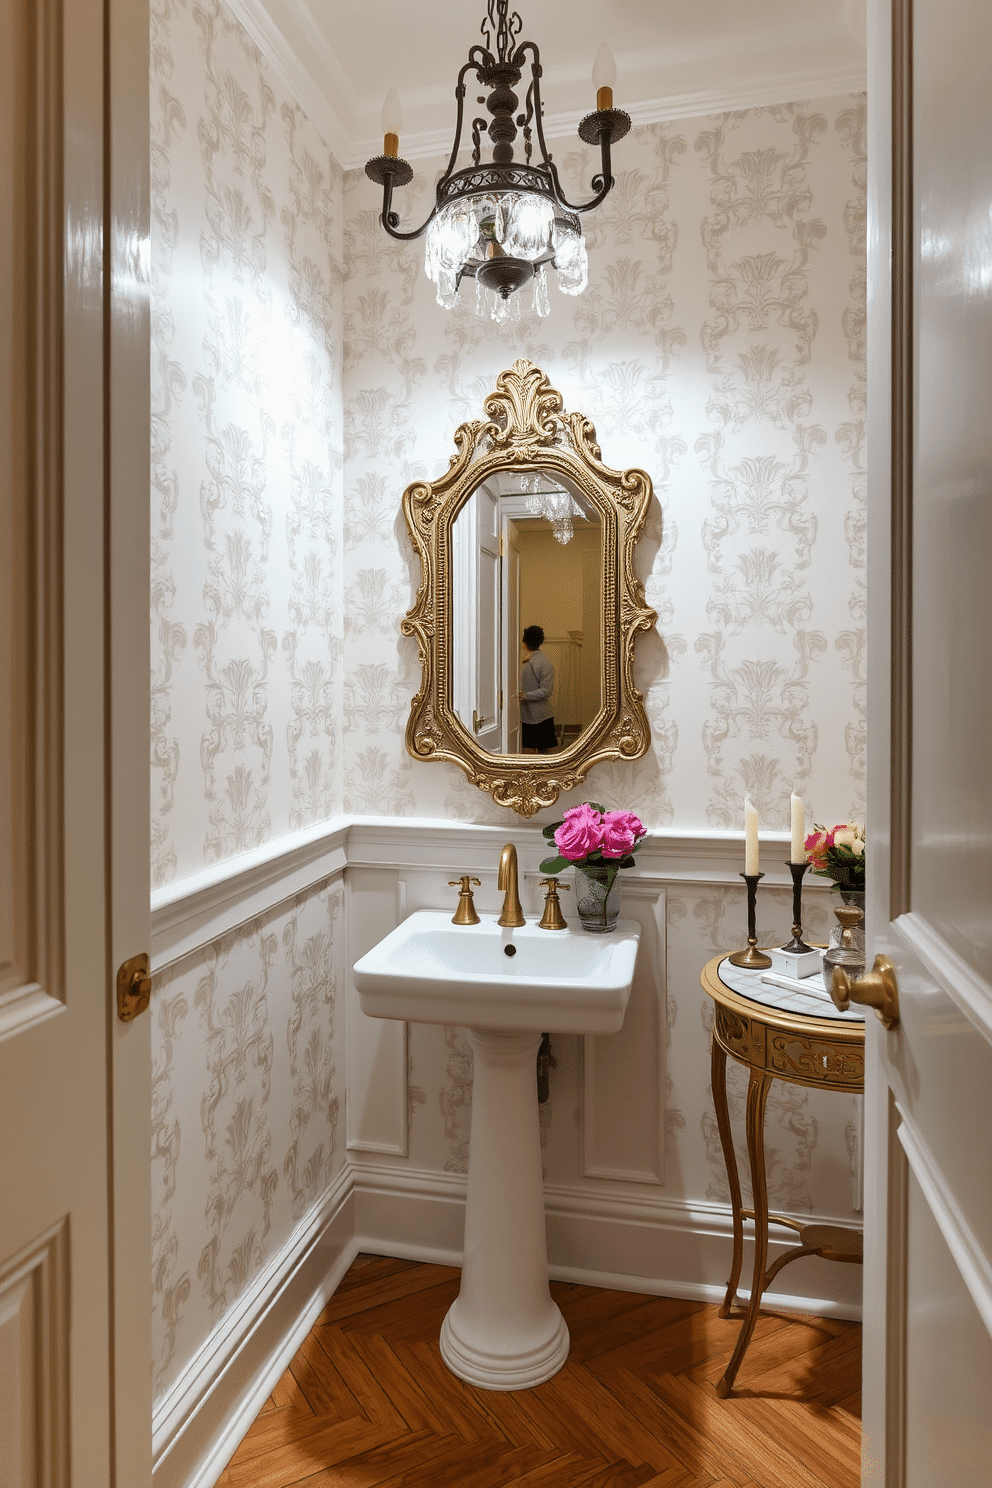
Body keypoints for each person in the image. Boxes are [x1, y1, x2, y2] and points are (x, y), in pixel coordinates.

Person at [518, 625, 557, 753]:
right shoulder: (541, 662)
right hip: (530, 716)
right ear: (541, 641)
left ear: (524, 643)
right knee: (544, 754)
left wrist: (523, 695)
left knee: (536, 752)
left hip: (540, 717)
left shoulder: (540, 662)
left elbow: (545, 692)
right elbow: (546, 690)